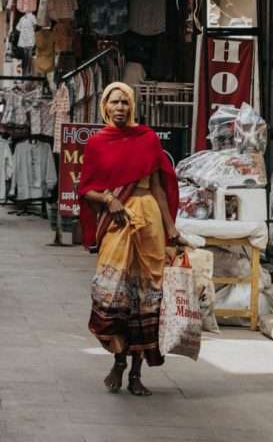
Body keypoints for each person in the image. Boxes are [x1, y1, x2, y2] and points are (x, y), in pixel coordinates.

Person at [78, 81, 180, 396]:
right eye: (114, 102)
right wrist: (109, 200)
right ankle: (119, 359)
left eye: (125, 102)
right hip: (117, 225)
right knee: (112, 296)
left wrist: (171, 229)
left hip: (149, 223)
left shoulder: (147, 139)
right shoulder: (96, 143)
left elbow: (159, 188)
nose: (120, 108)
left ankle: (136, 373)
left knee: (145, 299)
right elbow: (86, 189)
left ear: (132, 106)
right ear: (104, 107)